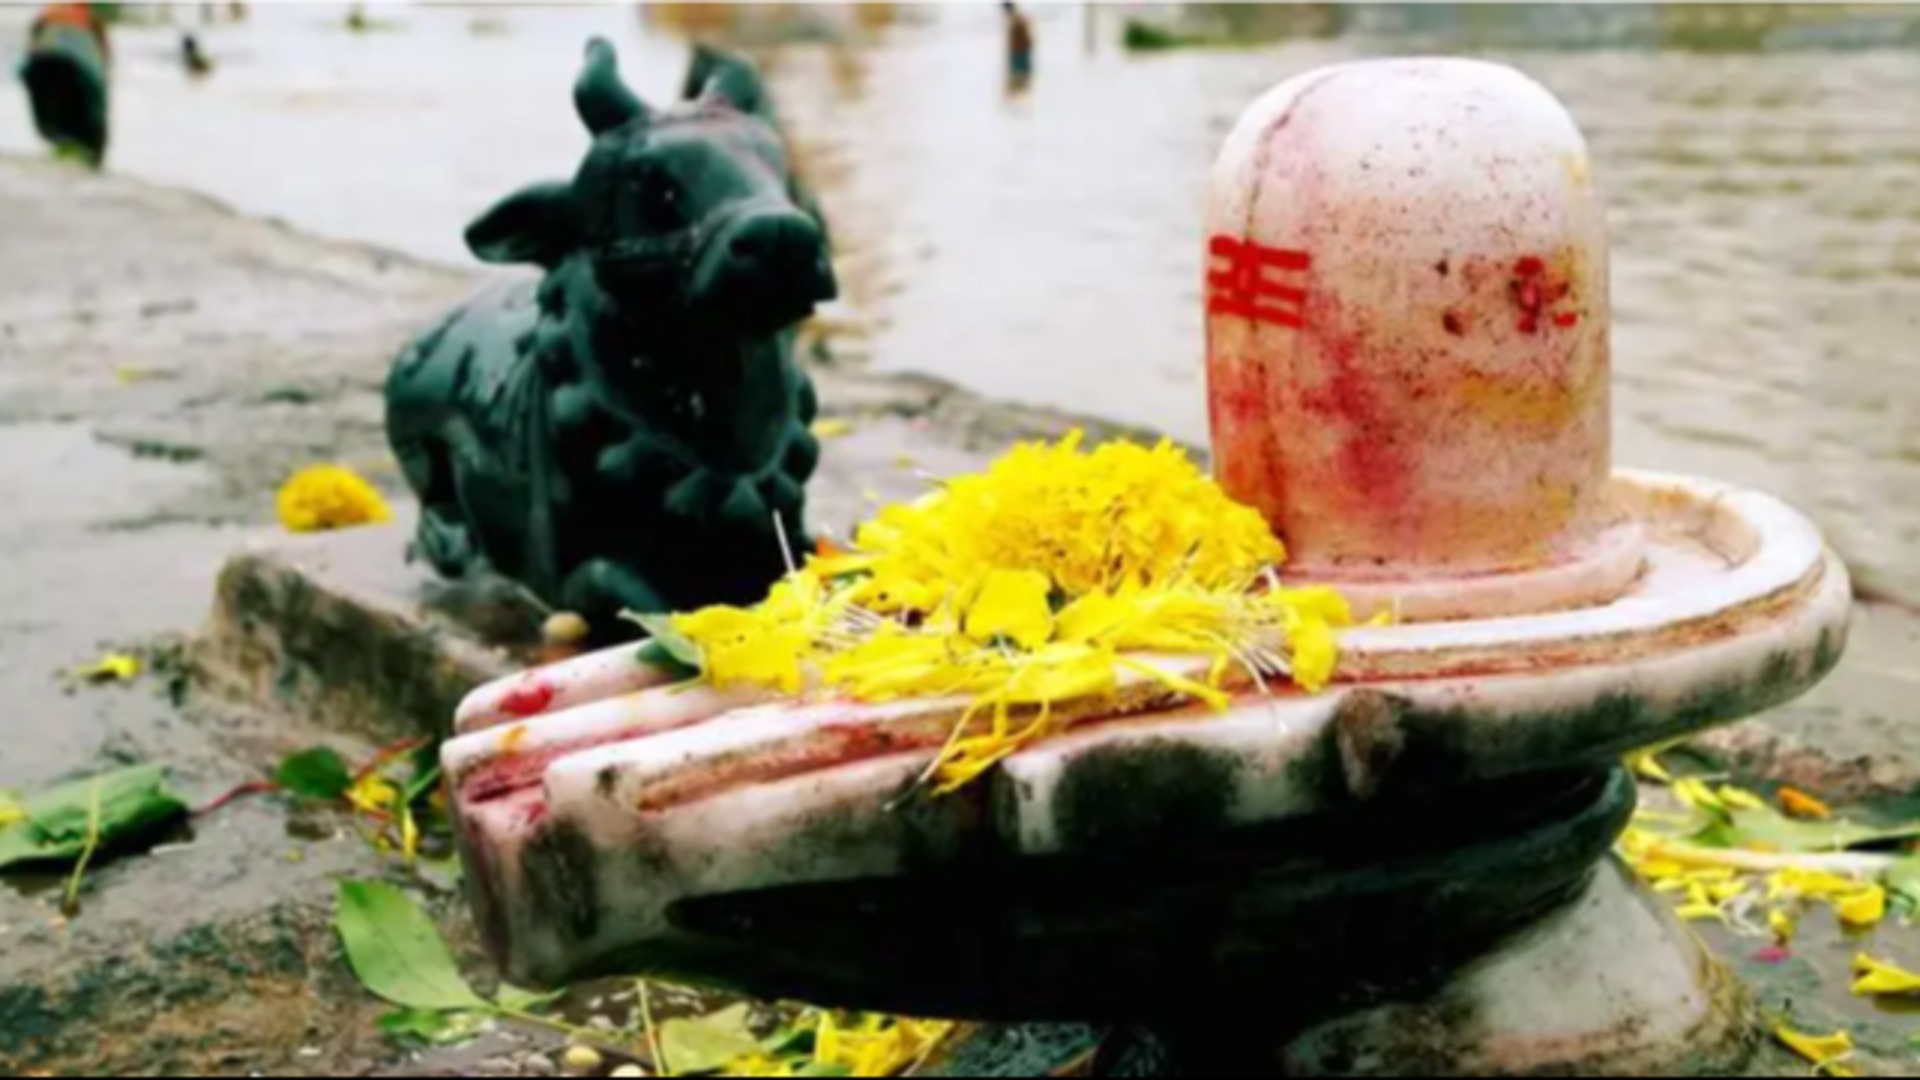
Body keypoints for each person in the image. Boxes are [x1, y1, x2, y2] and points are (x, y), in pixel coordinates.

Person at [20, 4, 112, 167]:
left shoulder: (51, 15)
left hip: (42, 64)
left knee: (59, 133)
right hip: (72, 71)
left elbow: (34, 38)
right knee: (78, 135)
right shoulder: (89, 19)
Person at [1003, 2, 1033, 88]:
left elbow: (1023, 31)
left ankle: (1021, 84)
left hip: (1019, 48)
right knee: (1018, 67)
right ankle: (1019, 83)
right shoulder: (1014, 18)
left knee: (1020, 67)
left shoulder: (1017, 18)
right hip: (1017, 48)